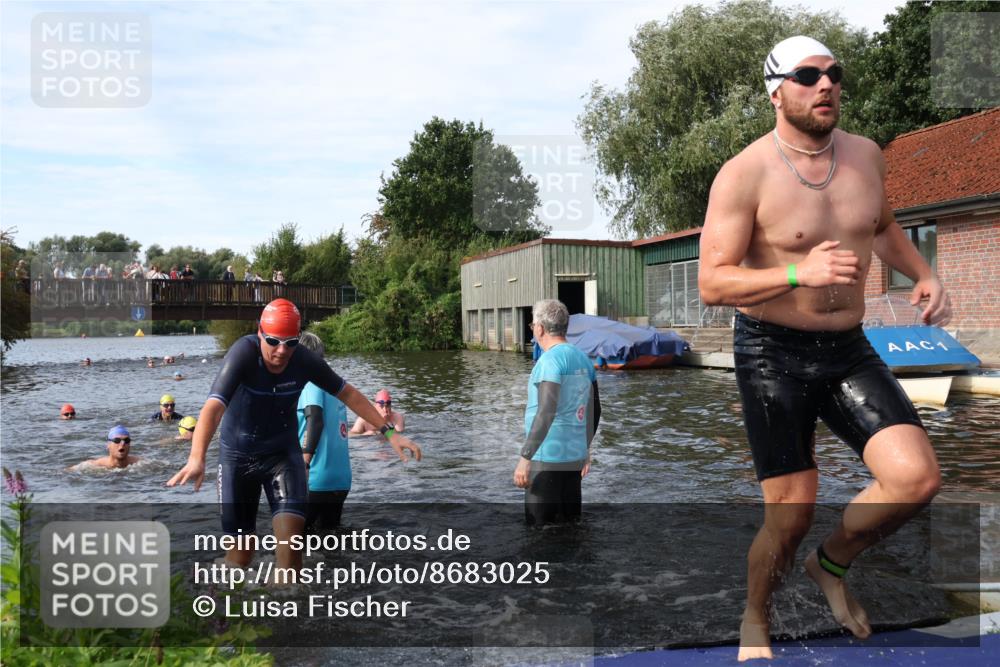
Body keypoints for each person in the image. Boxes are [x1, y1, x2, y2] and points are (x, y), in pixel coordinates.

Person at [697, 36, 950, 662]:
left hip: (847, 348)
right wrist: (796, 273)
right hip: (771, 352)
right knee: (790, 515)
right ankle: (755, 616)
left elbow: (881, 226)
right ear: (775, 91)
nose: (826, 85)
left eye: (834, 74)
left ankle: (830, 565)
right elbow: (712, 283)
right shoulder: (744, 173)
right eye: (807, 76)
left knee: (916, 478)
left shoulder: (866, 156)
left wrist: (923, 271)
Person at [166, 299, 422, 575]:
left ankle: (287, 600)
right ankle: (215, 584)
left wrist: (389, 433)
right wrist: (197, 457)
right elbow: (213, 408)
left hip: (282, 458)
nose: (281, 351)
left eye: (290, 342)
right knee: (240, 558)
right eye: (273, 341)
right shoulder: (243, 354)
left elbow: (348, 393)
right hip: (237, 460)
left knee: (290, 559)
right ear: (260, 333)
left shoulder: (303, 360)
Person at [513, 299, 601, 526]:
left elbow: (546, 411)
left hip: (546, 459)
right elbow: (596, 410)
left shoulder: (549, 361)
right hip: (573, 458)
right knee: (571, 527)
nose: (533, 330)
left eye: (532, 325)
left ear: (540, 328)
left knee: (538, 532)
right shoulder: (584, 359)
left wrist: (525, 457)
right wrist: (585, 448)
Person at [297, 332, 353, 531]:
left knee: (293, 540)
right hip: (341, 479)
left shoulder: (310, 382)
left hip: (315, 477)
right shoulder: (336, 385)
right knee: (330, 537)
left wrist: (304, 462)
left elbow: (315, 419)